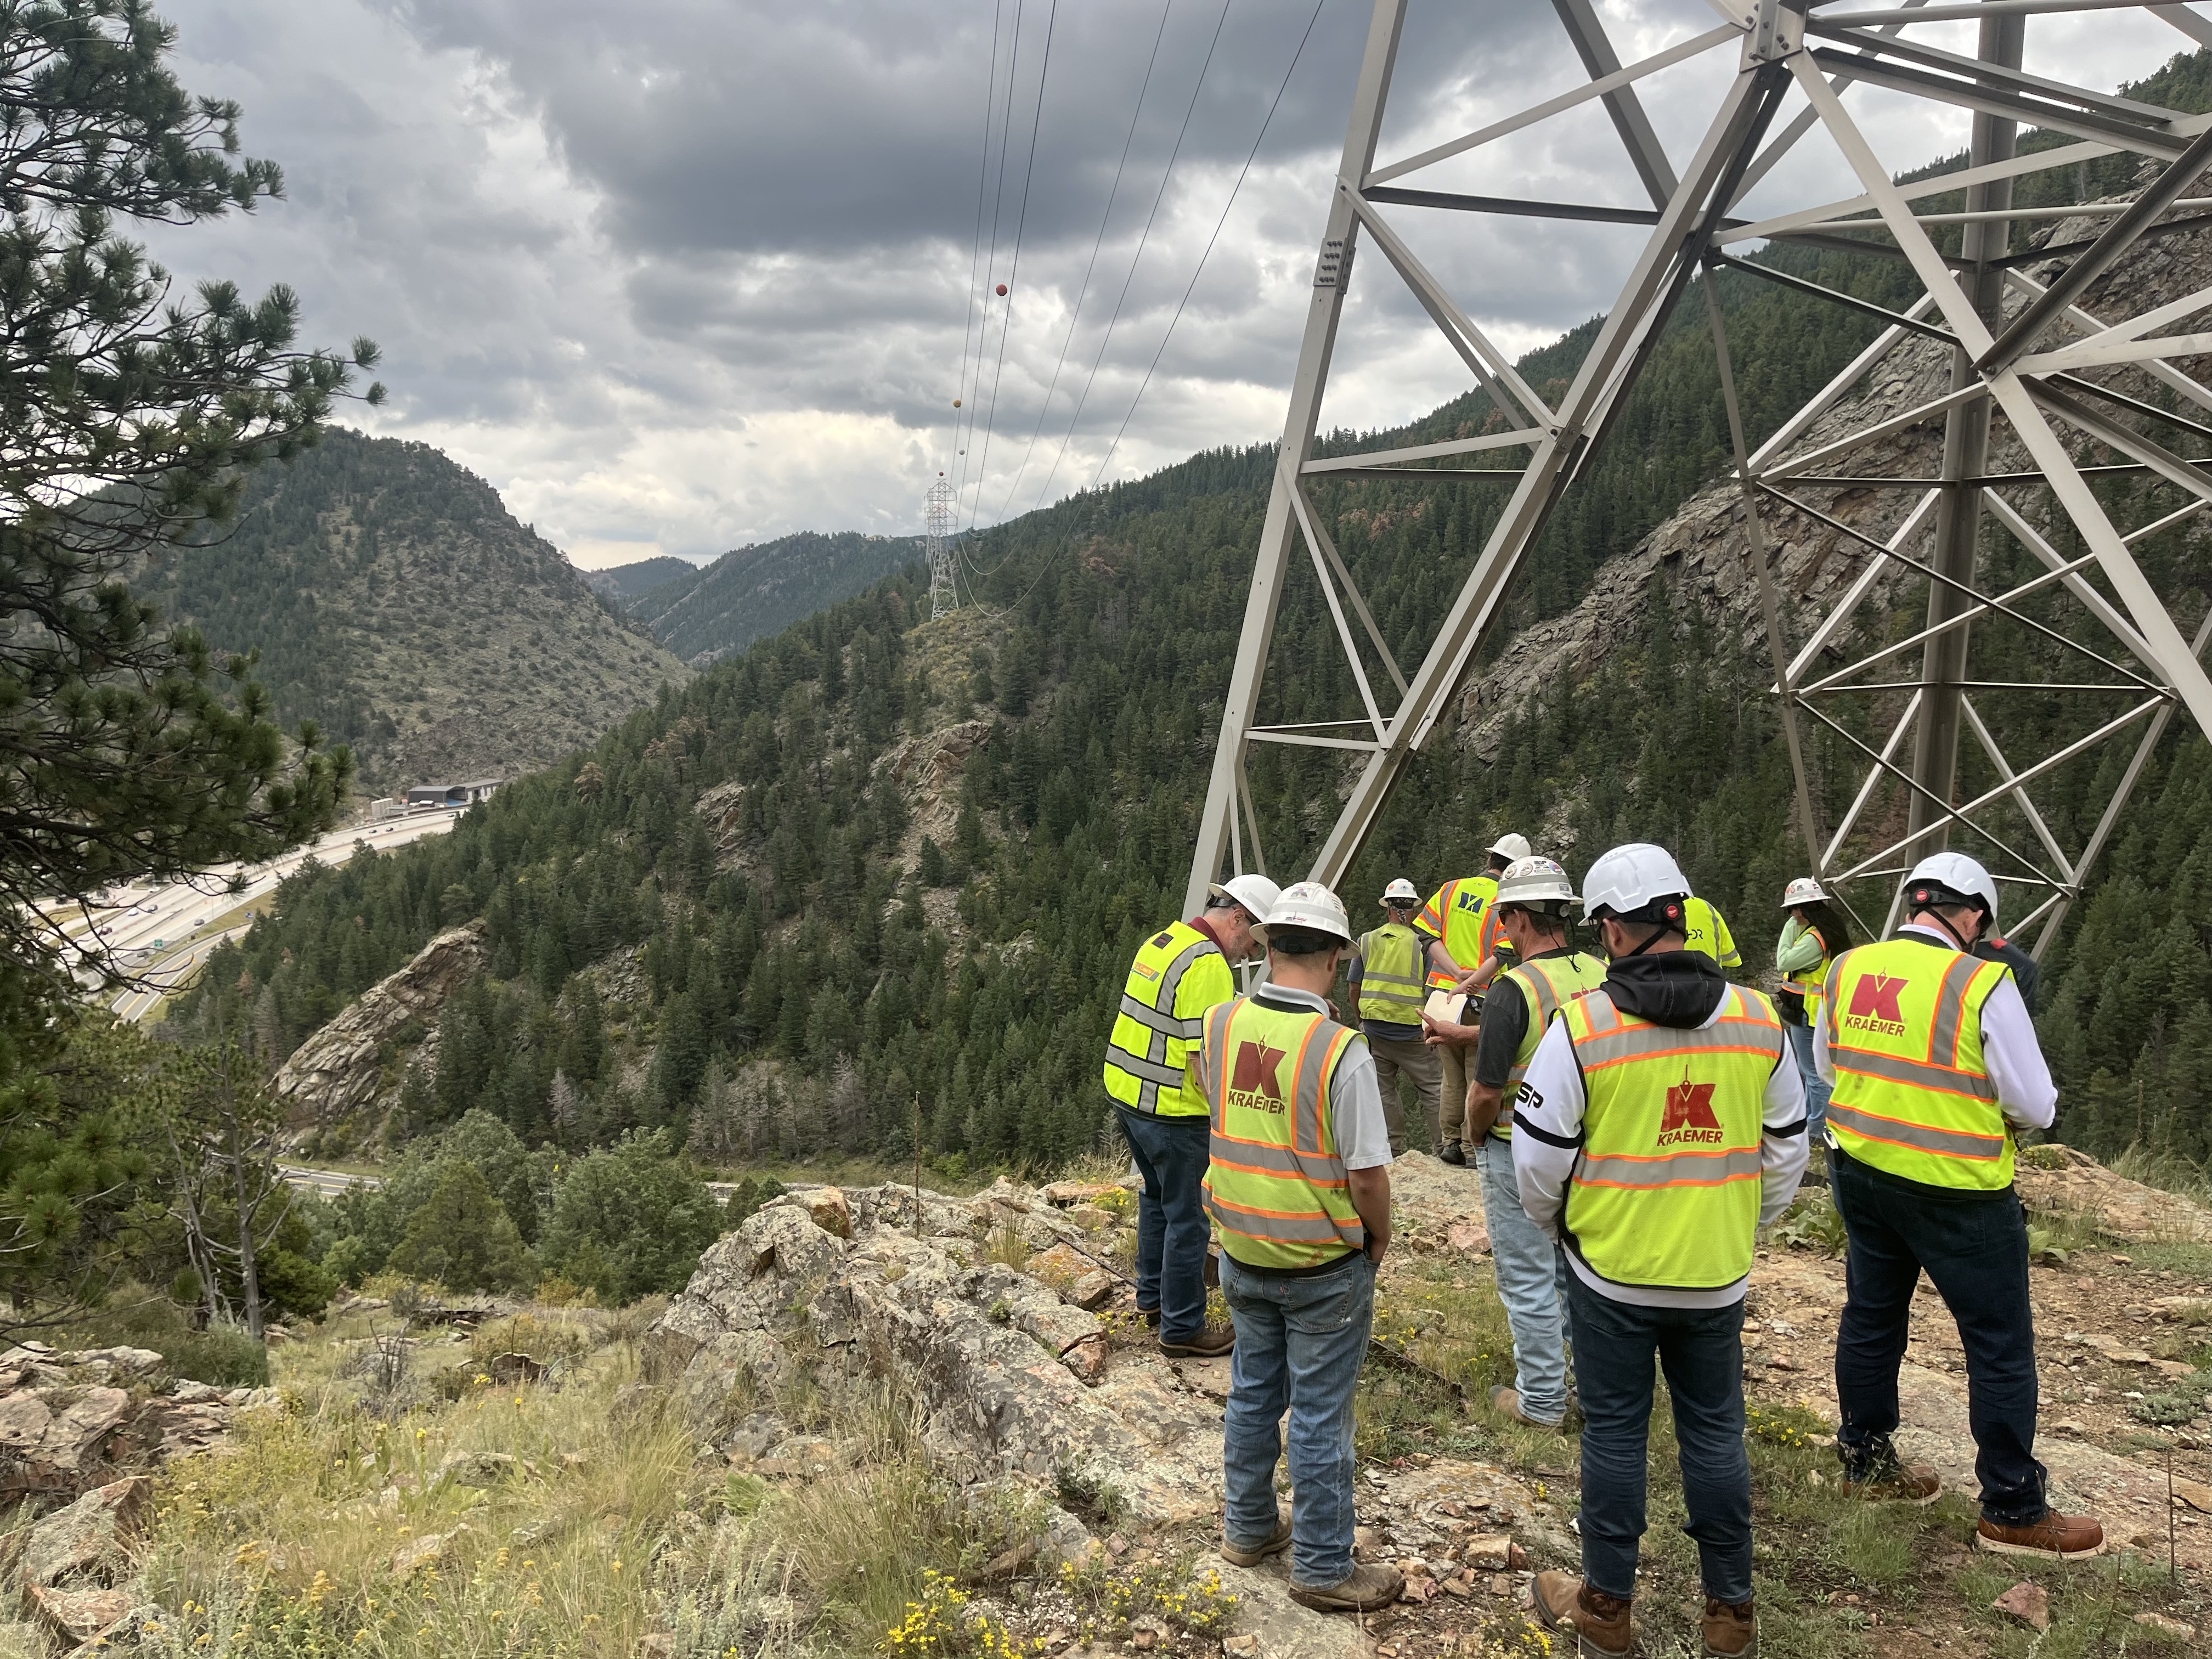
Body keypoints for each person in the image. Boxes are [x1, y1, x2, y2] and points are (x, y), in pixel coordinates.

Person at [1517, 843, 1808, 1659]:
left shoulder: (1584, 1027)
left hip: (1609, 1272)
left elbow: (1538, 1162)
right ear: (1681, 913)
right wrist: (1744, 1222)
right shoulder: (1759, 1021)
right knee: (1716, 1433)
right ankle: (1731, 1616)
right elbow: (1787, 1148)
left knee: (1615, 1435)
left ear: (1611, 929)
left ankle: (1606, 1611)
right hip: (1715, 1274)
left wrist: (1561, 1230)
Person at [1818, 851, 2102, 1560]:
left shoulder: (1849, 968)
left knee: (1872, 1316)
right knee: (1999, 1344)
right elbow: (2034, 1104)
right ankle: (2011, 1505)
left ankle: (1866, 1460)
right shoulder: (1982, 982)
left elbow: (1829, 1064)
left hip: (1863, 1169)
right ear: (1972, 915)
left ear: (1915, 903)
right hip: (1958, 1190)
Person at [1197, 882, 1404, 1615]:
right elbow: (1368, 1174)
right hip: (1321, 1262)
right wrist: (1377, 1236)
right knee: (1320, 1414)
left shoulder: (1220, 1026)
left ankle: (1248, 1528)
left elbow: (1220, 1110)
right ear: (1339, 957)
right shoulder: (1338, 1051)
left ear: (1271, 943)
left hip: (1243, 1251)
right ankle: (1320, 1566)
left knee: (1254, 1392)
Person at [1102, 871, 1280, 1358]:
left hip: (1127, 1095)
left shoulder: (1165, 941)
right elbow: (1202, 1054)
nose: (1255, 952)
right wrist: (1225, 1118)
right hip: (1172, 1112)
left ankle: (1153, 1299)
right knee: (1189, 1220)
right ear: (1238, 917)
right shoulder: (1208, 965)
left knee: (1156, 1199)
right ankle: (1182, 1329)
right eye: (1256, 936)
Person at [1458, 856, 1606, 1431]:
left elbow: (1485, 1093)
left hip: (1517, 1148)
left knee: (1527, 1277)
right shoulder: (1600, 973)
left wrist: (1476, 1139)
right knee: (1579, 1272)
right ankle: (1592, 1391)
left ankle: (1542, 1399)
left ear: (1519, 917)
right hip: (1589, 1146)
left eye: (1506, 915)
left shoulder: (1512, 988)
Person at [1414, 832, 1532, 1163]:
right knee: (1475, 1072)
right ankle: (1470, 1146)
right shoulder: (1505, 903)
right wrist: (1472, 981)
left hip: (1442, 997)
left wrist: (1455, 974)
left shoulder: (1451, 889)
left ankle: (1450, 1142)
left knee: (1451, 1076)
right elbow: (1502, 954)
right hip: (1482, 999)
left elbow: (1427, 934)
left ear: (1490, 859)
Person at [1347, 878, 1448, 1155]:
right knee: (1433, 1089)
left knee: (1383, 1092)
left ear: (1387, 908)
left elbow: (1354, 987)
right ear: (1413, 908)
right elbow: (1433, 988)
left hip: (1376, 1032)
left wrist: (1360, 1019)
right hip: (1413, 1032)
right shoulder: (1423, 944)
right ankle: (1444, 1147)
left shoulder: (1366, 941)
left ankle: (1392, 1150)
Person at [1774, 877, 1851, 1170]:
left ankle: (1816, 1130)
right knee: (1813, 1073)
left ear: (1807, 909)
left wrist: (1788, 927)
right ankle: (1811, 1122)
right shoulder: (1825, 932)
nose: (1792, 916)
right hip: (1814, 1011)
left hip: (1809, 1013)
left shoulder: (1811, 938)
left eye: (1795, 910)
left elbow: (1784, 961)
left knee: (1814, 1074)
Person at [1681, 891, 1742, 972]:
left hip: (1668, 983)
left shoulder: (1659, 909)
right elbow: (1732, 959)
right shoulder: (1705, 906)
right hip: (1712, 981)